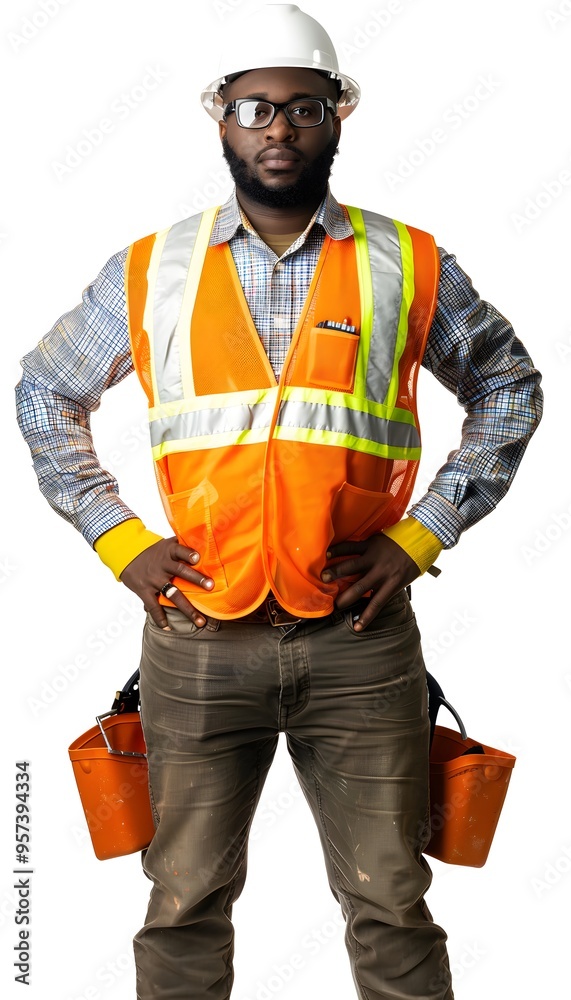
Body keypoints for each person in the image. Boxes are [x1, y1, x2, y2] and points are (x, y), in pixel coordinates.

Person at [16, 4, 542, 998]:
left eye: (304, 107)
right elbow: (46, 390)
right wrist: (117, 538)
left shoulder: (408, 263)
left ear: (338, 114)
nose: (279, 127)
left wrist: (421, 534)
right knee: (182, 901)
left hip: (359, 638)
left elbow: (508, 387)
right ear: (220, 117)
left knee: (391, 902)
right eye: (255, 106)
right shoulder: (152, 270)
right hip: (197, 638)